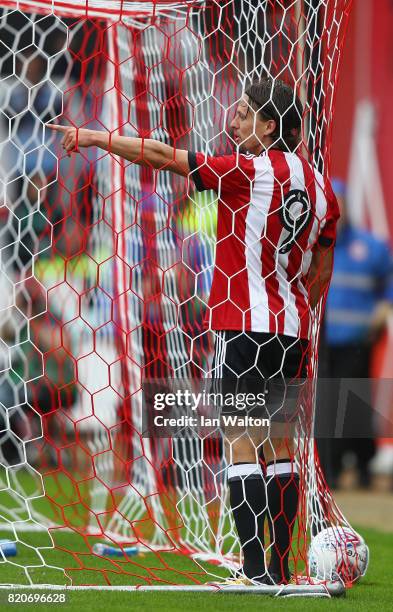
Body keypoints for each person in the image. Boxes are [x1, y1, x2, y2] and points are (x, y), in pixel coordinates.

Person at [47, 77, 339, 585]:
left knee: (242, 443)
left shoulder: (248, 171)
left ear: (270, 127)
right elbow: (320, 273)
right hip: (292, 329)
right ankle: (280, 570)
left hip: (241, 325)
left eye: (245, 114)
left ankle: (253, 573)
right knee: (282, 445)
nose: (233, 120)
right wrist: (291, 301)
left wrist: (95, 138)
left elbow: (163, 157)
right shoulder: (320, 186)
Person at [319, 179, 393, 488]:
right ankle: (330, 470)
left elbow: (389, 281)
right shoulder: (316, 246)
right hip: (322, 342)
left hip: (358, 339)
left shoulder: (371, 247)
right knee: (326, 404)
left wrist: (384, 307)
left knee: (356, 404)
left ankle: (362, 465)